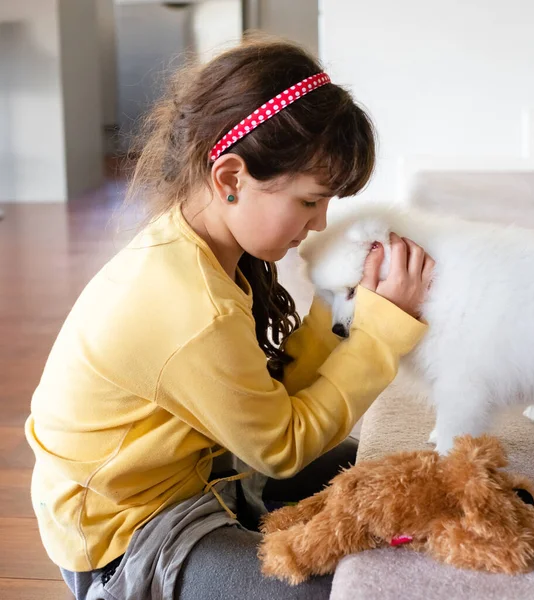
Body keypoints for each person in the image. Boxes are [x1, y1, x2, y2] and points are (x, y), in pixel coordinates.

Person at [25, 38, 434, 600]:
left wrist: (337, 310)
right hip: (129, 537)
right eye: (310, 201)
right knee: (337, 588)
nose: (319, 224)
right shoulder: (193, 308)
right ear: (231, 178)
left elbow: (273, 403)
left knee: (368, 470)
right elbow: (284, 445)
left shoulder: (204, 246)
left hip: (206, 472)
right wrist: (380, 331)